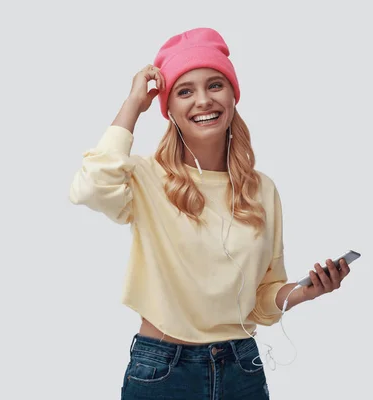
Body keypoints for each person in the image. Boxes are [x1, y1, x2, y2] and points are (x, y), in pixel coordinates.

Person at [69, 27, 351, 400]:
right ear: (168, 108)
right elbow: (89, 188)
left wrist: (304, 292)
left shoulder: (262, 190)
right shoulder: (146, 177)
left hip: (242, 367)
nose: (203, 100)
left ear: (233, 95)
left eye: (215, 85)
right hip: (163, 370)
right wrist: (133, 105)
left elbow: (263, 299)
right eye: (185, 91)